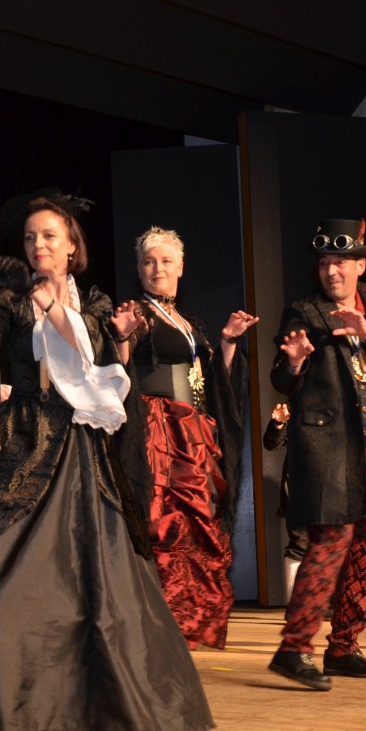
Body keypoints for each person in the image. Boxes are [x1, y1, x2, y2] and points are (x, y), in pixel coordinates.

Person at [0, 189, 214, 731]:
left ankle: (104, 700)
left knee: (98, 585)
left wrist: (54, 306)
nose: (38, 244)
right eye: (29, 237)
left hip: (82, 449)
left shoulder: (94, 302)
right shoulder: (9, 302)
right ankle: (13, 694)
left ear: (71, 247)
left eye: (49, 236)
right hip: (22, 441)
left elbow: (95, 357)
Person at [267, 219, 366, 691]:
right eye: (324, 263)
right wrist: (294, 360)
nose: (331, 271)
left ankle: (344, 647)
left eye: (340, 262)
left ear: (359, 266)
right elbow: (281, 378)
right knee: (330, 543)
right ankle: (294, 648)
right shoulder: (303, 311)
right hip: (329, 447)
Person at [115, 226, 254, 650]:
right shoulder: (139, 313)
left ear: (180, 267)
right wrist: (121, 337)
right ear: (139, 269)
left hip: (192, 428)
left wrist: (228, 342)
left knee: (197, 524)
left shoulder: (187, 321)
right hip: (159, 428)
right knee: (164, 521)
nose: (157, 269)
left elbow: (211, 379)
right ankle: (159, 622)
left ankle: (185, 620)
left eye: (165, 261)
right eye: (148, 262)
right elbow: (119, 366)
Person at [263, 401, 310, 596]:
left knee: (332, 542)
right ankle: (295, 604)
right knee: (301, 542)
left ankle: (323, 603)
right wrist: (279, 423)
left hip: (333, 485)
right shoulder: (297, 406)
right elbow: (271, 443)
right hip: (300, 486)